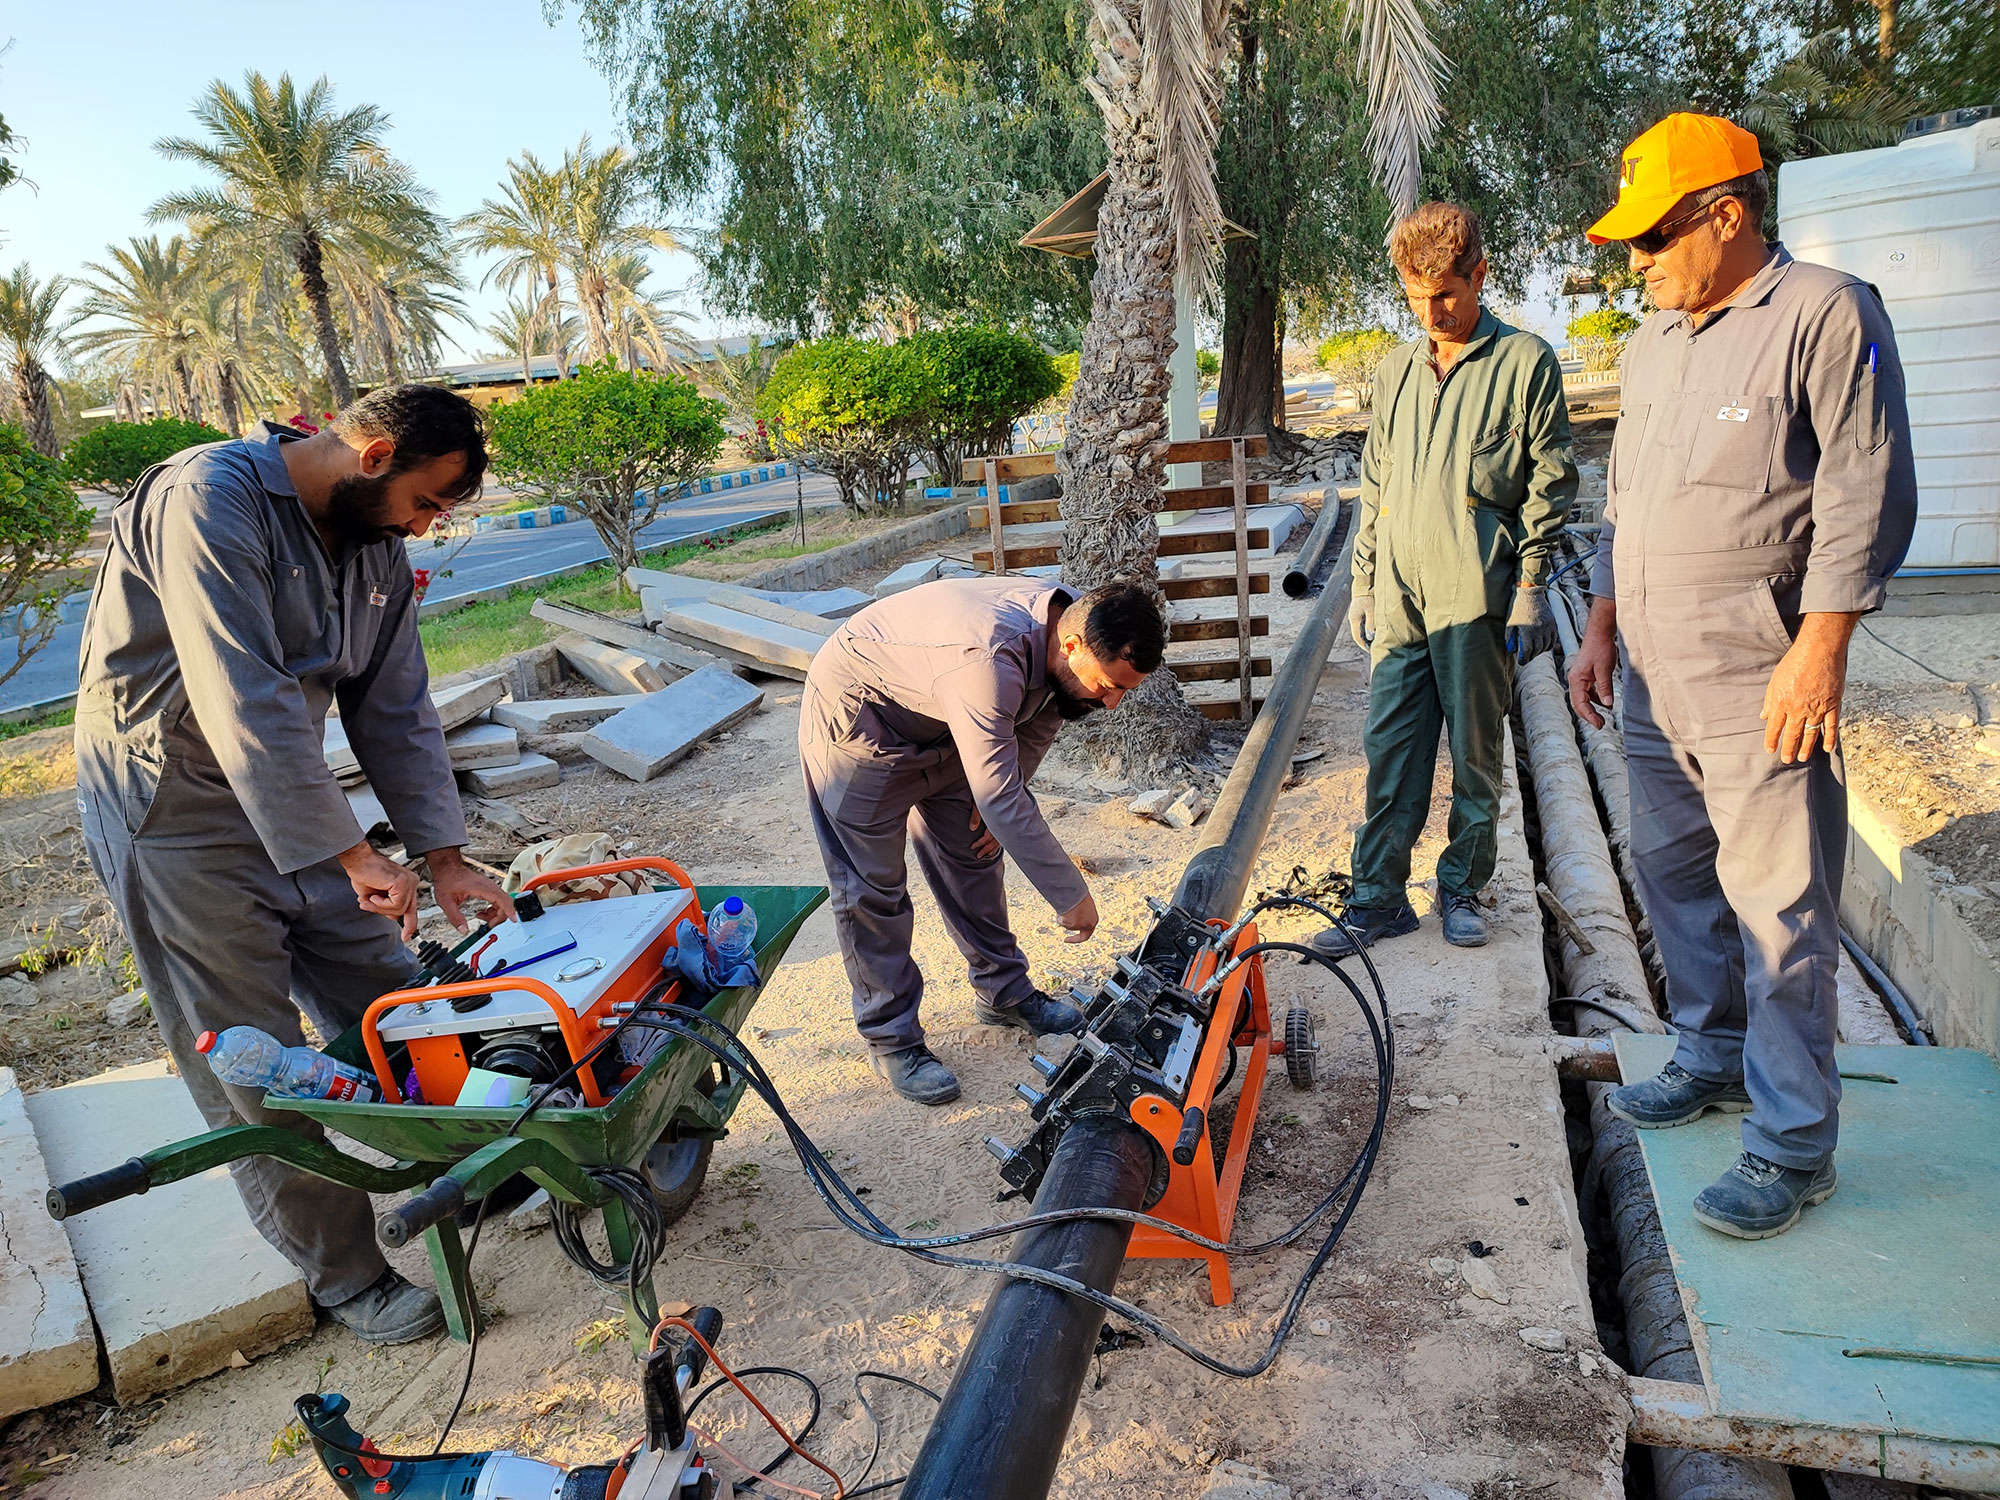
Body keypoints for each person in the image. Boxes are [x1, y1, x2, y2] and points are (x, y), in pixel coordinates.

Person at [75, 386, 516, 1342]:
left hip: (295, 802)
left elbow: (394, 704)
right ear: (373, 456)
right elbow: (245, 692)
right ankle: (349, 1276)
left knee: (388, 993)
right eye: (428, 502)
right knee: (256, 1060)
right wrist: (352, 850)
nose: (428, 526)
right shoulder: (210, 497)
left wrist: (441, 857)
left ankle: (455, 1176)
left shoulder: (374, 549)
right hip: (175, 812)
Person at [1568, 114, 1916, 1239]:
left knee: (1777, 911)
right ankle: (1708, 1057)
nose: (1638, 263)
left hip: (1757, 670)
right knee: (1672, 875)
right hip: (1651, 674)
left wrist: (1819, 651)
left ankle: (1789, 1145)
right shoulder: (1653, 343)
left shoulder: (1821, 311)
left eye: (1653, 238)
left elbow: (1863, 492)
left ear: (1725, 215)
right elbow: (1624, 505)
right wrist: (1599, 631)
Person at [1315, 201, 1578, 959]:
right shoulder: (1396, 372)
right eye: (1415, 298)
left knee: (1474, 753)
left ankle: (1461, 886)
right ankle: (1378, 897)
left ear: (1479, 276)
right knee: (1390, 747)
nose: (1432, 312)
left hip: (1478, 593)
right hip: (1399, 597)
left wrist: (1529, 587)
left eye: (1447, 295)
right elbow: (1377, 481)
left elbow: (1550, 483)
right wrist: (1365, 581)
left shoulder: (1525, 362)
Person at [800, 577, 1161, 1104]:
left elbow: (1037, 724)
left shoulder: (1068, 629)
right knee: (871, 889)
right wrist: (1070, 894)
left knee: (974, 850)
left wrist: (997, 810)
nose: (1111, 704)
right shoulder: (989, 657)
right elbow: (998, 793)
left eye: (1124, 690)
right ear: (1072, 646)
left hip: (948, 718)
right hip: (862, 722)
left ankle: (1003, 992)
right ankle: (892, 1037)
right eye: (1109, 686)